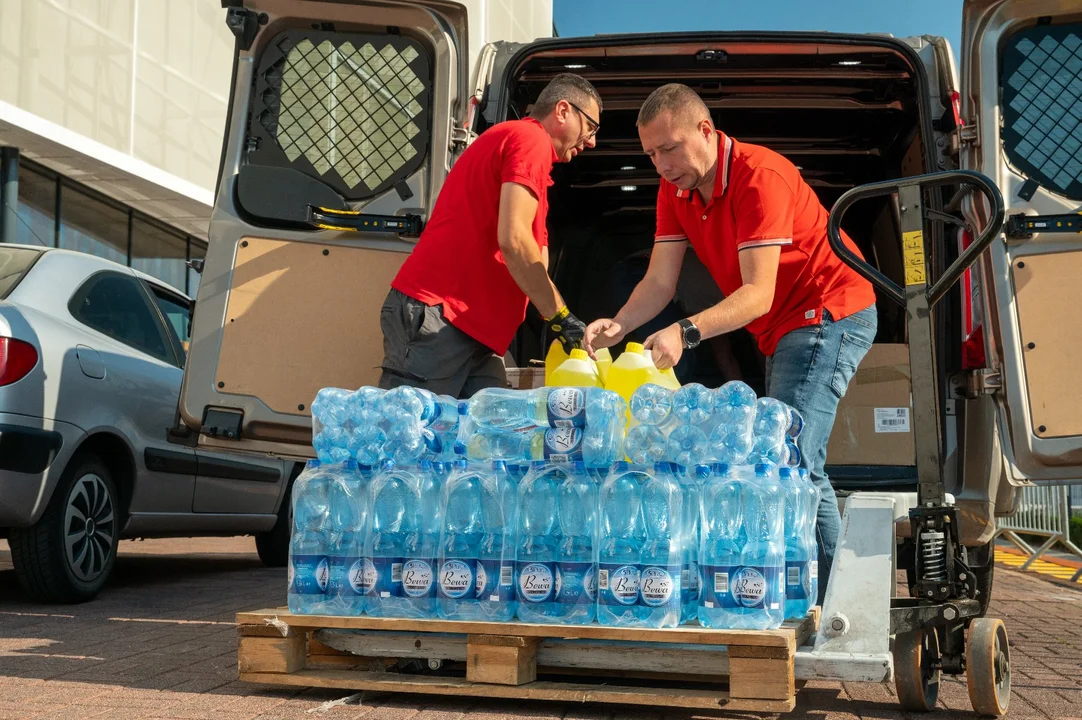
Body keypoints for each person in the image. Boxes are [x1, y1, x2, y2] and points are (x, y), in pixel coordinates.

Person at [584, 83, 878, 603]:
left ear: (705, 131)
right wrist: (620, 323)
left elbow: (758, 294)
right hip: (783, 326)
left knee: (789, 458)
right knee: (787, 457)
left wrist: (686, 330)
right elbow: (659, 282)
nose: (661, 164)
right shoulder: (674, 190)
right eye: (650, 153)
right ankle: (806, 593)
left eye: (669, 148)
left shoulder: (758, 177)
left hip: (828, 311)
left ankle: (838, 609)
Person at [379, 73, 602, 397]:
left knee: (486, 437)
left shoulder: (527, 156)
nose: (592, 141)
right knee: (410, 438)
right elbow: (514, 241)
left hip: (473, 330)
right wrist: (561, 316)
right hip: (443, 316)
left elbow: (534, 255)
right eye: (591, 127)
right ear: (563, 111)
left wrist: (559, 319)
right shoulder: (531, 140)